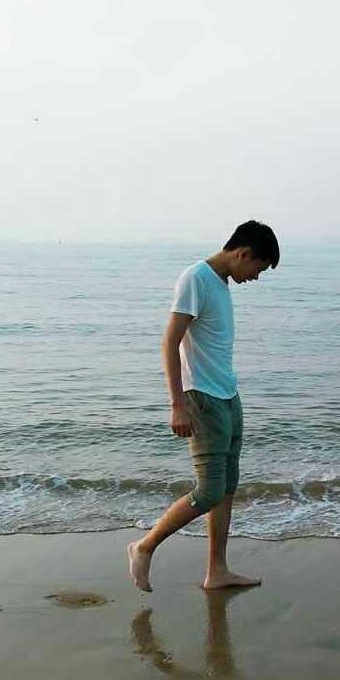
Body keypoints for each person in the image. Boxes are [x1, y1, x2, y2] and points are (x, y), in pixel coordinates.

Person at [127, 220, 280, 592]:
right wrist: (177, 404)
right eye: (258, 269)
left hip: (228, 396)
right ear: (242, 253)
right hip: (203, 398)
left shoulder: (220, 283)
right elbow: (170, 342)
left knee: (227, 487)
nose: (255, 277)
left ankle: (217, 571)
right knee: (209, 491)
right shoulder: (195, 278)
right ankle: (144, 546)